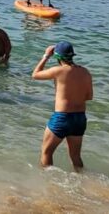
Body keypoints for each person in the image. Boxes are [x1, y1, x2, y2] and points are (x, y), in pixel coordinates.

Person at [31, 41, 93, 171]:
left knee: (46, 152)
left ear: (57, 57)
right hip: (80, 119)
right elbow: (89, 97)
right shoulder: (85, 72)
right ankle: (81, 179)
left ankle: (49, 182)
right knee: (76, 156)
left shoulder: (58, 71)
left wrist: (46, 56)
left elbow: (35, 75)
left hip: (62, 117)